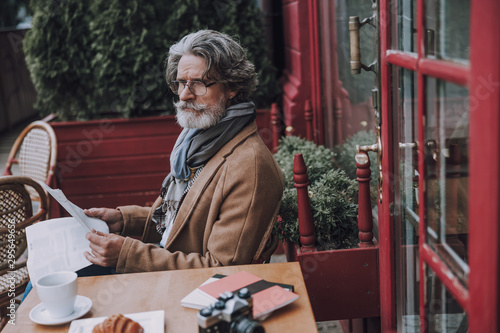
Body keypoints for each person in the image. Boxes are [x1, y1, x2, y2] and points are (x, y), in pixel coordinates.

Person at [81, 29, 283, 273]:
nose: (185, 95)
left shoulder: (250, 167)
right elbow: (178, 221)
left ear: (232, 88)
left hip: (186, 293)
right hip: (165, 271)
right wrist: (124, 221)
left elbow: (221, 270)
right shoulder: (198, 141)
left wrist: (127, 254)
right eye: (180, 83)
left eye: (198, 84)